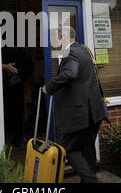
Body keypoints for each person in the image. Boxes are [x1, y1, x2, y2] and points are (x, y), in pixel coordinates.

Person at [42, 26, 106, 183]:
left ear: (63, 36)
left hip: (80, 114)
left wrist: (49, 87)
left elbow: (70, 73)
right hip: (94, 112)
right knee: (88, 149)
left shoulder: (71, 52)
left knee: (69, 149)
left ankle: (91, 180)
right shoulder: (84, 50)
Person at [2, 46, 34, 147]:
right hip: (16, 87)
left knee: (7, 112)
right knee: (17, 113)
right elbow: (30, 66)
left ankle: (7, 139)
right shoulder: (18, 51)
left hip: (6, 87)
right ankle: (17, 140)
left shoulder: (2, 50)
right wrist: (21, 78)